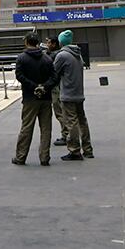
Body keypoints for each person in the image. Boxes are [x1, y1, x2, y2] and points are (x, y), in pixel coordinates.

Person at [12, 33, 57, 165]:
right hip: (46, 98)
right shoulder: (47, 59)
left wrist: (34, 87)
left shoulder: (22, 58)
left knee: (26, 127)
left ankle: (21, 157)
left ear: (26, 42)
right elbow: (54, 78)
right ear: (38, 43)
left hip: (29, 98)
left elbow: (19, 76)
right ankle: (44, 157)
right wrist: (43, 87)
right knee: (46, 128)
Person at [52, 30, 93, 161]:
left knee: (71, 122)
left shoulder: (62, 55)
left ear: (60, 42)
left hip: (68, 94)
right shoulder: (77, 54)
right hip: (79, 93)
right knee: (82, 121)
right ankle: (88, 149)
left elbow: (54, 73)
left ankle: (74, 150)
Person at [46, 35, 69, 146]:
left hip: (56, 87)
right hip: (60, 86)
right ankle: (67, 134)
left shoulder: (56, 56)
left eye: (49, 43)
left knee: (59, 112)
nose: (47, 45)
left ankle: (66, 135)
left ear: (54, 44)